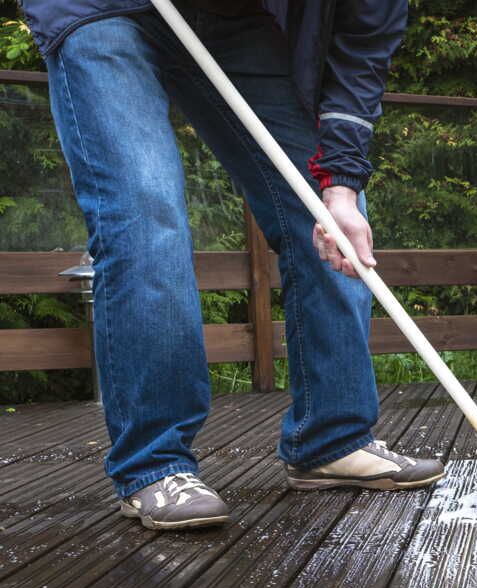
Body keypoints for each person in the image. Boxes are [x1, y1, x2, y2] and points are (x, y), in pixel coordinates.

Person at [20, 0, 445, 530]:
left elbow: (359, 57)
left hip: (239, 18)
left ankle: (332, 438)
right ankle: (156, 464)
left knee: (325, 212)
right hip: (103, 8)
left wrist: (340, 185)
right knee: (147, 216)